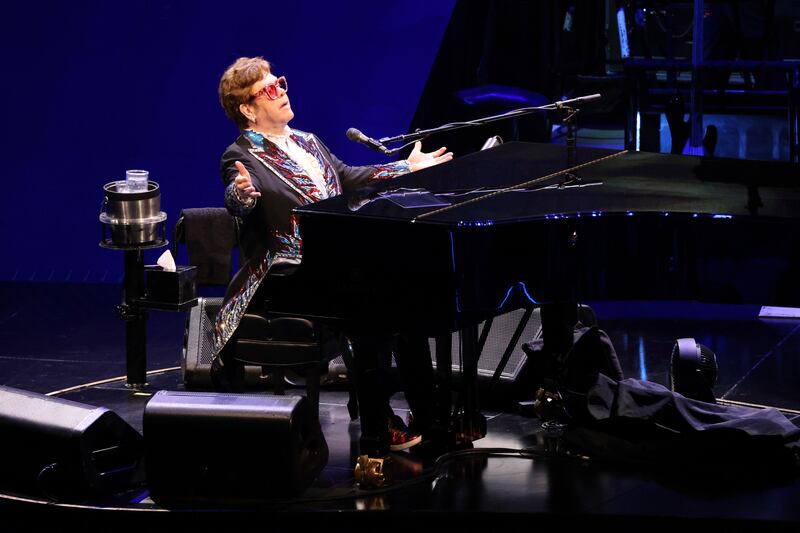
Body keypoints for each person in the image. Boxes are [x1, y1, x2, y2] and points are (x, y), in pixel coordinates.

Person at [212, 56, 452, 458]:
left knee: (408, 303)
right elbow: (238, 199)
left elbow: (349, 176)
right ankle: (378, 430)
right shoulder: (240, 156)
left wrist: (403, 168)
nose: (282, 92)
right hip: (284, 273)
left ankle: (430, 421)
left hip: (332, 265)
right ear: (248, 109)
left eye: (282, 83)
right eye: (270, 89)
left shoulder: (308, 141)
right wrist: (241, 196)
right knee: (374, 306)